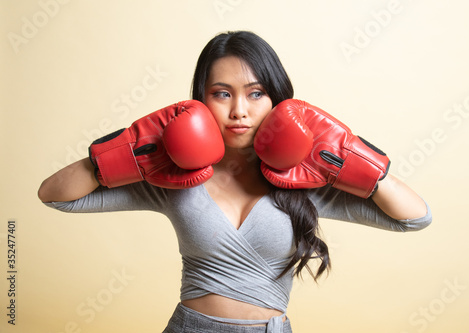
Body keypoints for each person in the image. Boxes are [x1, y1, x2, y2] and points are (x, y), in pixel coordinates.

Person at [38, 31, 432, 333]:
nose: (239, 111)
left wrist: (356, 159)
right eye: (222, 93)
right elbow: (56, 196)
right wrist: (124, 152)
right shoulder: (173, 174)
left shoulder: (305, 178)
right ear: (200, 100)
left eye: (256, 93)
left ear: (276, 100)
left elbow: (415, 218)